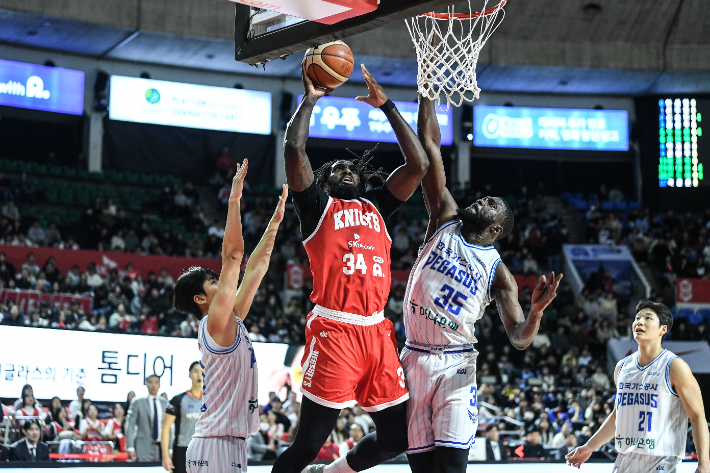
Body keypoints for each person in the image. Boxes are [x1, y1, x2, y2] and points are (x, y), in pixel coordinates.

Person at [275, 59, 429, 473]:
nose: (346, 170)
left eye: (350, 168)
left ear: (361, 180)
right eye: (337, 169)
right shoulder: (317, 207)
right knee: (307, 445)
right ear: (325, 183)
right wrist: (309, 101)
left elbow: (420, 167)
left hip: (377, 332)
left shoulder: (376, 206)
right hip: (335, 330)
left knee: (399, 437)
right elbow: (294, 149)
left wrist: (388, 107)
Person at [401, 94, 561, 473]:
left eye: (492, 203)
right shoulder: (444, 216)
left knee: (452, 468)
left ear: (496, 229)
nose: (483, 199)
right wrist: (427, 92)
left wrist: (536, 311)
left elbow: (519, 339)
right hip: (412, 356)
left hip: (456, 366)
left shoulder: (499, 273)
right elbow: (431, 148)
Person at [173, 160, 287, 473]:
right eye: (214, 282)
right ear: (200, 299)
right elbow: (234, 257)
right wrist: (234, 198)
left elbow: (255, 268)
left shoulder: (230, 318)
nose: (223, 283)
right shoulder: (215, 324)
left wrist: (275, 224)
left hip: (226, 440)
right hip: (215, 443)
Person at [566, 300, 709, 473]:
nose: (639, 322)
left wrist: (703, 464)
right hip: (625, 460)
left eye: (648, 318)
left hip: (662, 461)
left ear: (663, 329)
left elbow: (697, 415)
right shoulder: (622, 367)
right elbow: (620, 415)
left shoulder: (674, 366)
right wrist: (590, 446)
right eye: (637, 318)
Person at [161, 361, 204, 473]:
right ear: (190, 375)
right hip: (183, 450)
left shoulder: (212, 400)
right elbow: (165, 428)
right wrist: (165, 456)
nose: (199, 375)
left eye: (202, 371)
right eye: (196, 371)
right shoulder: (178, 400)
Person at [125, 374, 168, 461]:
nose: (153, 385)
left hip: (161, 447)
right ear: (146, 384)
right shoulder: (138, 402)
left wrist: (170, 448)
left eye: (156, 382)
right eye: (150, 382)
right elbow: (130, 425)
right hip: (142, 446)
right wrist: (130, 447)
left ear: (159, 385)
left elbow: (169, 427)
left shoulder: (165, 403)